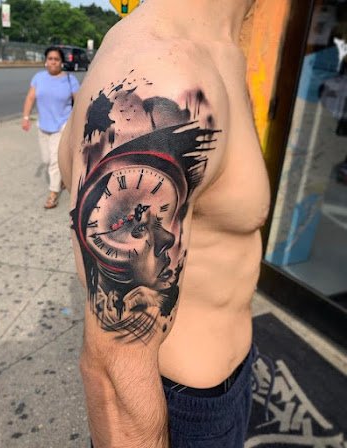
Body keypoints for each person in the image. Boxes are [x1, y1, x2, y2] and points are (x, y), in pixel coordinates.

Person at [58, 0, 271, 446]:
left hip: (223, 381)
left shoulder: (216, 52)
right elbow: (114, 369)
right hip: (178, 407)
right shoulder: (166, 67)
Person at [22, 46, 79, 209]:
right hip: (44, 125)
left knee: (54, 161)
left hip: (62, 125)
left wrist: (78, 123)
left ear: (61, 62)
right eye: (50, 59)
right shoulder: (38, 77)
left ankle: (53, 194)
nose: (53, 62)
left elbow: (78, 101)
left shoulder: (70, 80)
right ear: (46, 61)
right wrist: (26, 117)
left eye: (56, 59)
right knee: (46, 160)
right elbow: (30, 97)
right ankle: (62, 178)